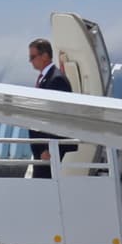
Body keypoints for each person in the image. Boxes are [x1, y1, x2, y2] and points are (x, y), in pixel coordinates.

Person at [26, 38, 75, 179]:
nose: (30, 61)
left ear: (45, 56)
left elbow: (59, 116)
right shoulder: (46, 78)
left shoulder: (56, 80)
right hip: (42, 148)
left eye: (32, 57)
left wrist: (49, 148)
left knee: (44, 184)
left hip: (49, 150)